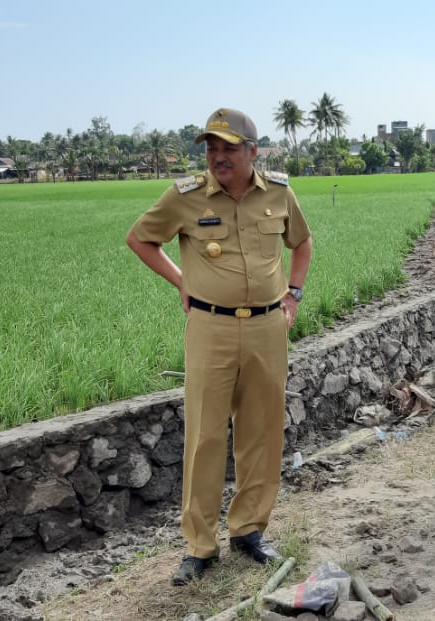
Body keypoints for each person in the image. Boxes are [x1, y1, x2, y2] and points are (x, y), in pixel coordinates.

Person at [125, 108, 313, 585]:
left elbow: (302, 243)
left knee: (262, 433)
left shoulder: (279, 192)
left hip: (269, 327)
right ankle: (199, 545)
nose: (218, 156)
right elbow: (141, 239)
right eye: (211, 148)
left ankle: (249, 529)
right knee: (206, 437)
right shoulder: (184, 196)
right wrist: (180, 280)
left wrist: (294, 294)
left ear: (253, 151)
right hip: (210, 327)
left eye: (229, 147)